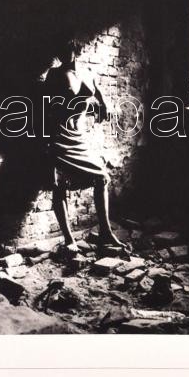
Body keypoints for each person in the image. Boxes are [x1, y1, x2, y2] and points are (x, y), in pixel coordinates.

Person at [43, 37, 130, 257]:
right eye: (58, 51)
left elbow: (97, 93)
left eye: (66, 50)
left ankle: (106, 232)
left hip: (79, 137)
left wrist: (103, 105)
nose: (62, 55)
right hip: (59, 135)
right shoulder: (54, 74)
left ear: (75, 49)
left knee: (102, 177)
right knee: (59, 184)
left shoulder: (88, 73)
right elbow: (47, 107)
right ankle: (69, 239)